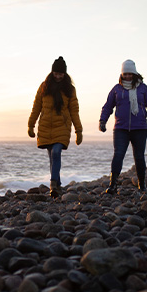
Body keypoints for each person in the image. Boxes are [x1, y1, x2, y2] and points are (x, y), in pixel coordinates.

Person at [99, 59, 147, 194]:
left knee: (139, 157)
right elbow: (108, 106)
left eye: (130, 74)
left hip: (140, 128)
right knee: (118, 155)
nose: (127, 76)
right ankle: (113, 184)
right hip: (121, 128)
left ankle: (142, 184)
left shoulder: (143, 88)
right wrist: (102, 121)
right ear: (122, 74)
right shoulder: (117, 89)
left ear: (134, 74)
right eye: (125, 74)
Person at [28, 56, 83, 198]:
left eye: (60, 74)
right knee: (52, 157)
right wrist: (31, 125)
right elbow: (36, 107)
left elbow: (74, 111)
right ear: (52, 72)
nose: (58, 76)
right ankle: (57, 185)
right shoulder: (44, 86)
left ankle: (52, 184)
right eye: (56, 73)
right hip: (45, 126)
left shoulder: (69, 89)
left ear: (64, 74)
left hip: (62, 126)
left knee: (56, 152)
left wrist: (78, 130)